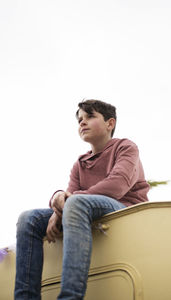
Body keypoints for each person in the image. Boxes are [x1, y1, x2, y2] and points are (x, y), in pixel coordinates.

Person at [14, 99, 150, 300]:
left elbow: (117, 185)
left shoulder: (125, 147)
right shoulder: (80, 163)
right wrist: (58, 201)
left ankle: (70, 296)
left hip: (124, 208)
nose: (82, 123)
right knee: (28, 218)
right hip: (84, 208)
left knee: (76, 203)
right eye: (79, 120)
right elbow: (67, 197)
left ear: (110, 123)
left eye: (90, 117)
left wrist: (67, 201)